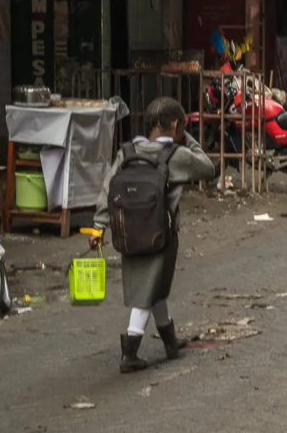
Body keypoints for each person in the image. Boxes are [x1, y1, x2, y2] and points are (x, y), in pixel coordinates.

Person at [90, 97, 216, 374]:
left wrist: (99, 225)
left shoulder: (127, 151)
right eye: (179, 126)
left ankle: (170, 341)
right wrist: (187, 139)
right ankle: (130, 352)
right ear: (174, 125)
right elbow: (208, 167)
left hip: (127, 232)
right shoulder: (176, 156)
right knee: (146, 292)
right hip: (161, 234)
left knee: (154, 285)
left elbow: (108, 188)